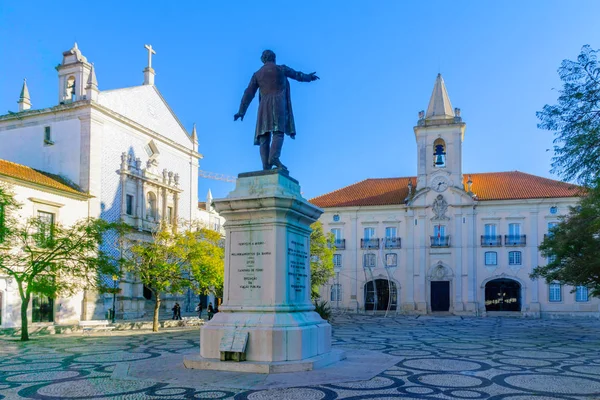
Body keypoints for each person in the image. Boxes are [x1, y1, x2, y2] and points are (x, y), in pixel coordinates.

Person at [234, 49, 319, 171]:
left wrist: (241, 111)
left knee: (264, 135)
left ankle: (265, 165)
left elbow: (248, 93)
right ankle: (274, 157)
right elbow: (297, 75)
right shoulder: (281, 69)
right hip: (278, 103)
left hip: (264, 105)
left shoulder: (257, 74)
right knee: (278, 132)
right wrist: (309, 77)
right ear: (273, 58)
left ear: (263, 60)